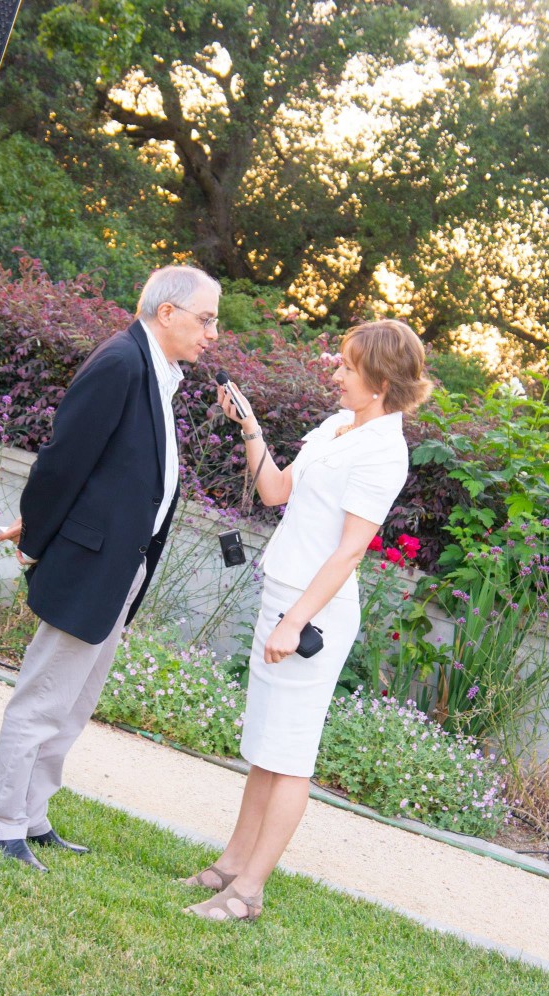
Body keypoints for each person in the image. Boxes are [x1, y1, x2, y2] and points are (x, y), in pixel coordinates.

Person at [181, 318, 432, 921]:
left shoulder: (384, 451)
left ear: (379, 381)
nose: (337, 373)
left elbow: (350, 550)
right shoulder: (337, 427)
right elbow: (273, 491)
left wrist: (294, 622)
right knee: (266, 745)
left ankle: (249, 891)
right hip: (283, 596)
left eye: (347, 366)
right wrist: (251, 428)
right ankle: (231, 864)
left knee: (290, 753)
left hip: (313, 614)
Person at [0, 265, 221, 871]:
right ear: (167, 313)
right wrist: (35, 539)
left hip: (121, 567)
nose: (213, 333)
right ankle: (3, 820)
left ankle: (32, 815)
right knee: (43, 697)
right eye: (207, 318)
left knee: (75, 701)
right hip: (90, 563)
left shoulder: (159, 372)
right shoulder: (120, 362)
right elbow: (62, 462)